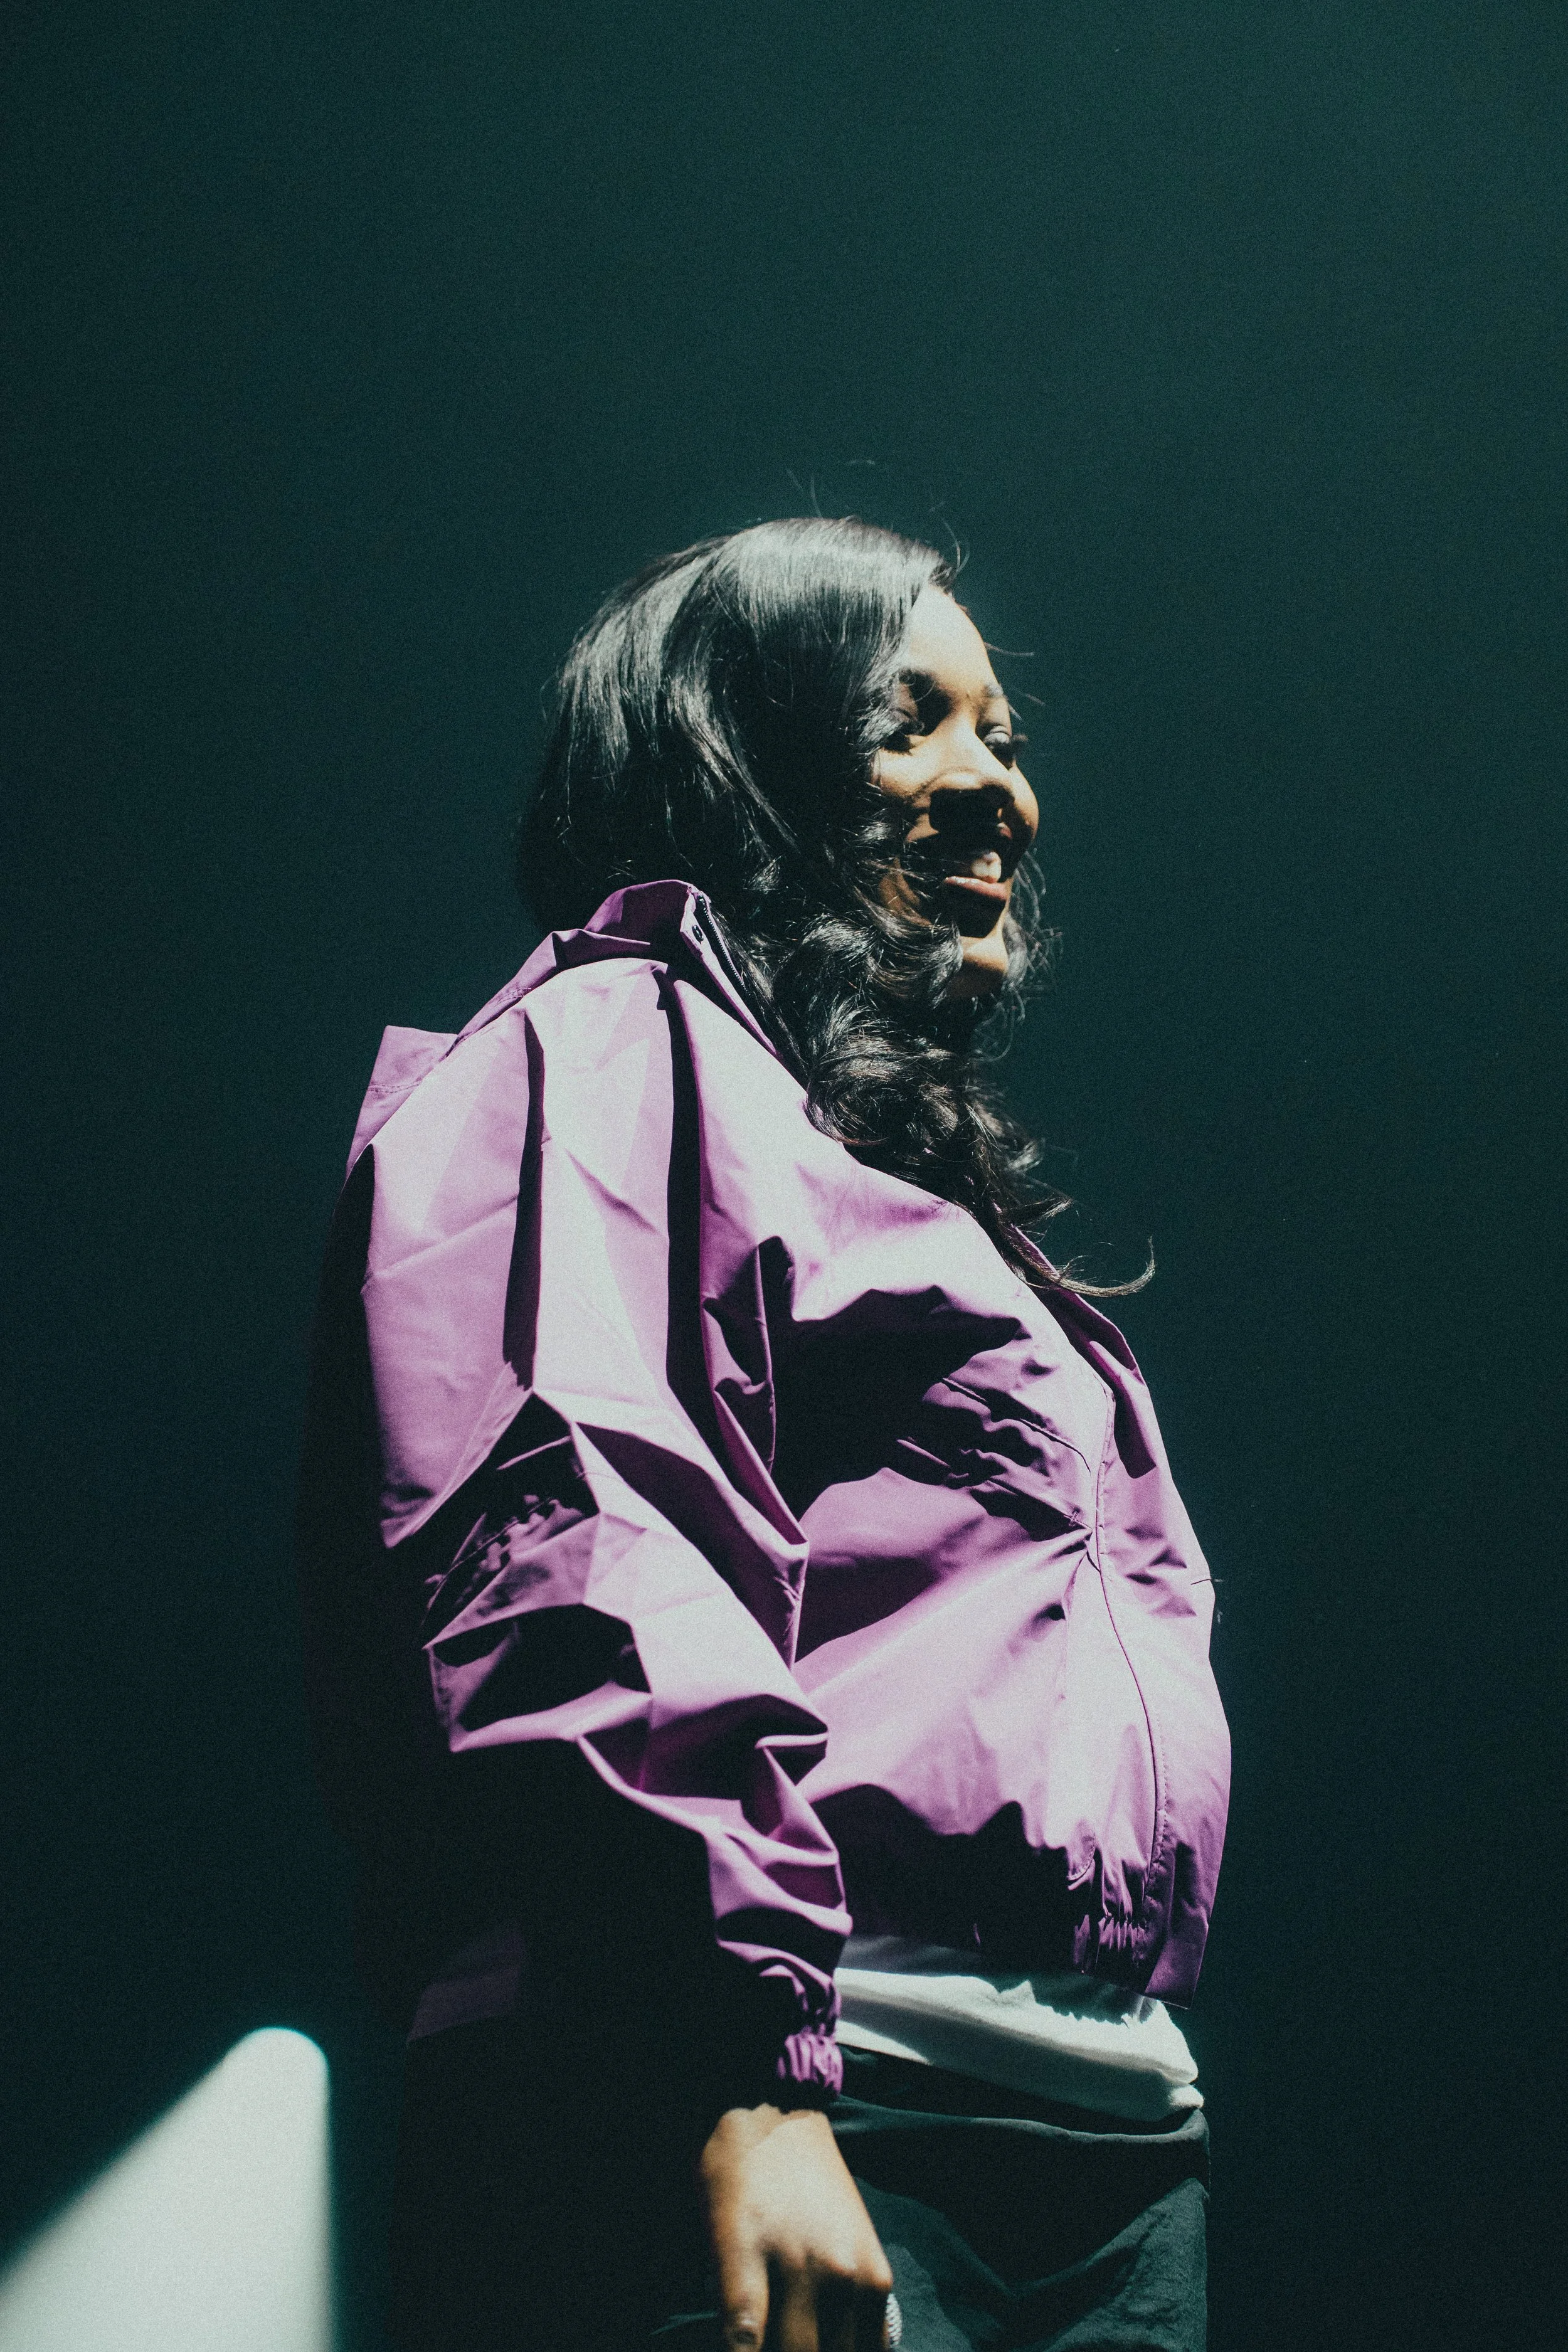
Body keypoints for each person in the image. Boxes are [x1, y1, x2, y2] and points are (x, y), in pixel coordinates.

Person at [296, 517, 1231, 2351]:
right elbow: (577, 1524)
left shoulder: (902, 1192)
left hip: (1096, 2145)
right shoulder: (611, 1036)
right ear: (742, 756)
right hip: (782, 2092)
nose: (991, 789)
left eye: (1005, 735)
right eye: (910, 723)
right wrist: (742, 2061)